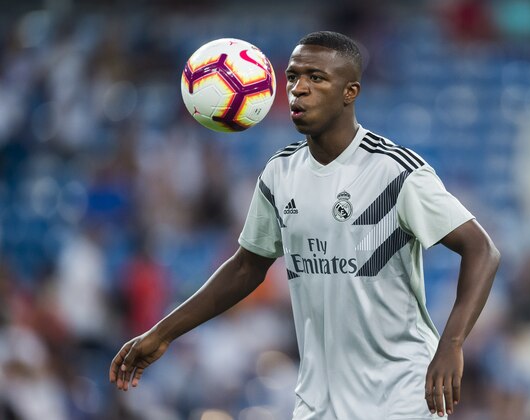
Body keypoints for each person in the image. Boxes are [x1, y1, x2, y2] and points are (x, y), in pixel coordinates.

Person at [110, 31, 500, 419]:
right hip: (318, 401)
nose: (299, 89)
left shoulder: (395, 171)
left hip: (401, 394)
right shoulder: (280, 173)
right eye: (294, 77)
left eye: (316, 78)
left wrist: (451, 343)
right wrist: (162, 334)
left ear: (350, 92)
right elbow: (247, 266)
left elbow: (482, 249)